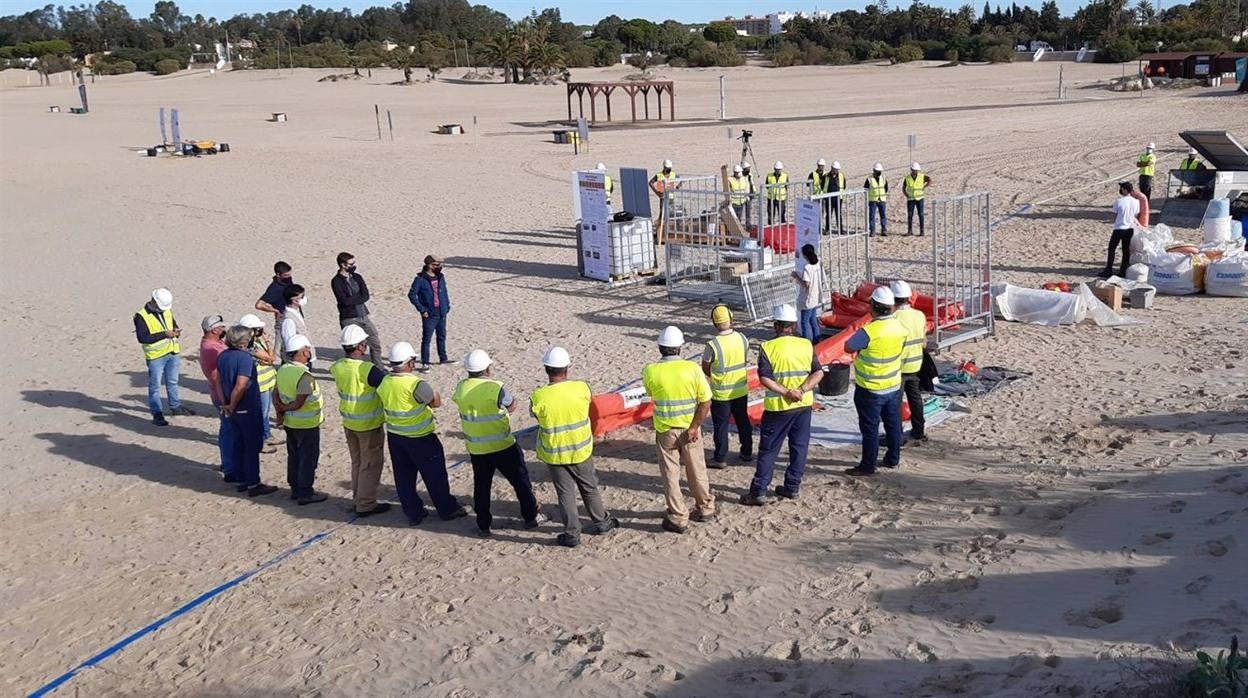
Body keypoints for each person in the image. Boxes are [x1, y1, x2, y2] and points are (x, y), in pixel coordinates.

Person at [530, 346, 617, 548]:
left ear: (546, 369)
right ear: (567, 368)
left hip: (555, 453)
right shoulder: (581, 388)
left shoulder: (539, 396)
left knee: (565, 493)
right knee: (589, 488)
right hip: (581, 450)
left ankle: (572, 534)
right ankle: (602, 522)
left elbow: (536, 414)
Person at [452, 349, 544, 537]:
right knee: (520, 481)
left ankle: (483, 525)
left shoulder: (461, 387)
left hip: (477, 449)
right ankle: (530, 517)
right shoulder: (496, 388)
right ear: (487, 369)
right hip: (502, 445)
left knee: (482, 486)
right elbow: (511, 404)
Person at [374, 341, 467, 525]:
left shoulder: (385, 381)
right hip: (420, 437)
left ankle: (413, 513)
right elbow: (435, 403)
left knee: (404, 478)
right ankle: (447, 509)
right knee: (435, 475)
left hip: (396, 436)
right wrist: (436, 395)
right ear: (409, 363)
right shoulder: (415, 384)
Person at [741, 304, 824, 505]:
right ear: (794, 325)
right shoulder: (805, 344)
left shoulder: (768, 348)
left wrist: (786, 392)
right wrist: (802, 390)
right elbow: (818, 372)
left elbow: (765, 378)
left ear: (776, 325)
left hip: (779, 408)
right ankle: (792, 487)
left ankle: (759, 491)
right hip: (803, 405)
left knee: (769, 450)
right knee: (799, 447)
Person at [642, 327, 715, 534]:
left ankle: (678, 516)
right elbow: (705, 400)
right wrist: (694, 427)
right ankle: (706, 508)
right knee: (697, 469)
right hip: (689, 429)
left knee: (670, 474)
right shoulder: (692, 369)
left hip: (665, 430)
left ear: (660, 347)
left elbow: (650, 392)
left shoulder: (650, 370)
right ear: (680, 347)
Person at [844, 287, 907, 477]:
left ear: (874, 306)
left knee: (870, 429)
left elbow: (848, 346)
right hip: (894, 385)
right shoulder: (900, 328)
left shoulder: (870, 332)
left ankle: (867, 465)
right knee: (893, 424)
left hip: (870, 388)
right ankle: (893, 458)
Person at [330, 325, 391, 517]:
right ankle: (365, 504)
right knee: (370, 464)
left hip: (349, 422)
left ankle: (358, 498)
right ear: (360, 346)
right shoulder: (367, 369)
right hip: (368, 424)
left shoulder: (338, 366)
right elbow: (387, 385)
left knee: (357, 462)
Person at [217, 325, 278, 496]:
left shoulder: (223, 356)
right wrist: (233, 404)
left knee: (238, 444)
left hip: (232, 408)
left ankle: (241, 480)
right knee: (252, 445)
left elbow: (218, 382)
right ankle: (253, 483)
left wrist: (225, 404)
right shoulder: (244, 358)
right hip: (246, 407)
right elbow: (241, 385)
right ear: (244, 341)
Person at [273, 334, 328, 505]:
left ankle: (295, 488)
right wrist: (285, 409)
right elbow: (299, 402)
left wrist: (280, 411)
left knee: (294, 456)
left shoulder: (283, 370)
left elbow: (275, 392)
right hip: (307, 424)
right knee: (308, 459)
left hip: (291, 423)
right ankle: (305, 492)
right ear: (303, 351)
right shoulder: (304, 375)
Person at [702, 304, 753, 468]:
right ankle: (747, 452)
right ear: (731, 318)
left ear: (714, 323)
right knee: (743, 421)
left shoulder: (713, 344)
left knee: (721, 426)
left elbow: (705, 366)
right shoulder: (742, 338)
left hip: (721, 393)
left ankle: (720, 458)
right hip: (740, 389)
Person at [134, 288, 193, 426]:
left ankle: (175, 407)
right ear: (154, 301)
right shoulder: (141, 316)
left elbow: (173, 324)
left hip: (172, 351)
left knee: (172, 382)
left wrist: (176, 331)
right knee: (155, 386)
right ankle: (157, 413)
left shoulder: (167, 310)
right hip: (155, 357)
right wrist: (165, 334)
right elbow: (143, 338)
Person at [889, 281, 928, 444]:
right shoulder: (919, 315)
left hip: (897, 367)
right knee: (915, 399)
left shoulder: (893, 318)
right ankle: (919, 431)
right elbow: (924, 341)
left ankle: (896, 435)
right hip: (915, 364)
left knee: (894, 403)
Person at [331, 252, 383, 367]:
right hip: (348, 317)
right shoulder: (336, 281)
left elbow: (366, 295)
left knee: (375, 343)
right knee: (351, 347)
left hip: (363, 314)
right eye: (351, 264)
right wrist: (358, 298)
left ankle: (379, 368)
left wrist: (354, 299)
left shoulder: (357, 277)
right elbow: (343, 300)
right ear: (343, 265)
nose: (353, 266)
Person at [240, 313, 278, 453]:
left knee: (266, 411)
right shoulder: (250, 346)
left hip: (267, 380)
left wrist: (266, 341)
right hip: (260, 382)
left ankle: (267, 434)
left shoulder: (257, 342)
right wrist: (267, 346)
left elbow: (271, 357)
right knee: (262, 412)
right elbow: (270, 357)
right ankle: (262, 438)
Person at [407, 255, 451, 372]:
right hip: (429, 314)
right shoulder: (420, 279)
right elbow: (412, 295)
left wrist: (447, 306)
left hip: (442, 311)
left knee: (441, 336)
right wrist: (422, 310)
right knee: (427, 339)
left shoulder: (440, 277)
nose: (439, 267)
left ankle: (443, 358)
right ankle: (425, 363)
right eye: (437, 265)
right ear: (429, 265)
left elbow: (444, 292)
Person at [199, 315, 229, 470]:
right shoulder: (211, 348)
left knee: (228, 430)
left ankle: (228, 464)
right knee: (228, 432)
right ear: (215, 329)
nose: (225, 329)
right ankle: (228, 465)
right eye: (222, 327)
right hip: (223, 395)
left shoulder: (214, 343)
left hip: (221, 393)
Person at [1102, 182, 1141, 278]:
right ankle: (1123, 271)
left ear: (1125, 190)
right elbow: (1136, 214)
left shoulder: (1119, 201)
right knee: (1125, 250)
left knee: (1112, 248)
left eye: (1122, 188)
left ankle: (1109, 269)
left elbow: (1115, 213)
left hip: (1119, 228)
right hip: (1129, 228)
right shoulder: (1136, 202)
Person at [791, 244, 823, 342]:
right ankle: (816, 340)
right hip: (815, 295)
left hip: (808, 298)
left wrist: (796, 277)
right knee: (813, 320)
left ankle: (807, 342)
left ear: (805, 255)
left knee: (804, 322)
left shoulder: (807, 267)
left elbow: (806, 284)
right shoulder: (817, 264)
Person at [279, 284, 315, 369]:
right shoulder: (288, 320)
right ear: (294, 300)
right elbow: (290, 343)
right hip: (298, 361)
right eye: (302, 296)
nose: (304, 298)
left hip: (305, 357)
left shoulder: (296, 312)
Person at [256, 261, 294, 327]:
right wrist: (276, 311)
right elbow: (259, 305)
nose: (289, 277)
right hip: (284, 321)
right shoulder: (275, 288)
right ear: (278, 275)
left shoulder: (286, 281)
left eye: (290, 274)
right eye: (286, 275)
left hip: (293, 317)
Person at [904, 162, 931, 236]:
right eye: (914, 170)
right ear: (911, 170)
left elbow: (929, 180)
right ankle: (910, 231)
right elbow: (903, 188)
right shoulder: (907, 178)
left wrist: (925, 186)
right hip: (911, 199)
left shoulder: (922, 176)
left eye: (916, 170)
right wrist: (906, 195)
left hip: (920, 198)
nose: (915, 171)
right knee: (910, 215)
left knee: (921, 215)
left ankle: (922, 231)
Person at [649, 159, 679, 226]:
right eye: (667, 169)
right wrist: (657, 192)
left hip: (671, 197)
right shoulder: (659, 175)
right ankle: (660, 225)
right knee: (662, 212)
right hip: (663, 197)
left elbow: (682, 180)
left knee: (671, 212)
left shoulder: (673, 174)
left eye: (669, 169)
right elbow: (650, 183)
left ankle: (670, 226)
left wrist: (677, 187)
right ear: (664, 167)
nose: (669, 170)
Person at [808, 158, 832, 233]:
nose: (821, 167)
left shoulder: (827, 174)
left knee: (821, 213)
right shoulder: (812, 174)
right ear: (817, 166)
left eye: (822, 166)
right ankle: (814, 227)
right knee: (814, 213)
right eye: (819, 166)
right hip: (815, 196)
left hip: (823, 196)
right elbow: (807, 184)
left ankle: (819, 227)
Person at [865, 163, 889, 236]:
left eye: (880, 171)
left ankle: (884, 230)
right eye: (877, 171)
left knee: (883, 215)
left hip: (882, 199)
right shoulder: (869, 179)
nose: (879, 173)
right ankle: (872, 231)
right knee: (872, 216)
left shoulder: (883, 178)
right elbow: (865, 189)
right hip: (873, 200)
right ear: (874, 170)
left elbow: (886, 188)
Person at [826, 160, 847, 235]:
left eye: (837, 169)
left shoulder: (841, 176)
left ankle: (840, 230)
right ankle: (828, 229)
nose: (836, 171)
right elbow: (823, 186)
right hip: (829, 198)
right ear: (831, 168)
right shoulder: (826, 176)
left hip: (838, 198)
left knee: (839, 214)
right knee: (829, 214)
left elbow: (844, 186)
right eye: (834, 169)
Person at [740, 161, 757, 227]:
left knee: (748, 211)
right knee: (740, 211)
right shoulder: (741, 177)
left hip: (749, 195)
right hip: (742, 196)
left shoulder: (750, 176)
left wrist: (754, 192)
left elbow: (752, 184)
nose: (748, 170)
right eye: (747, 169)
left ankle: (748, 224)